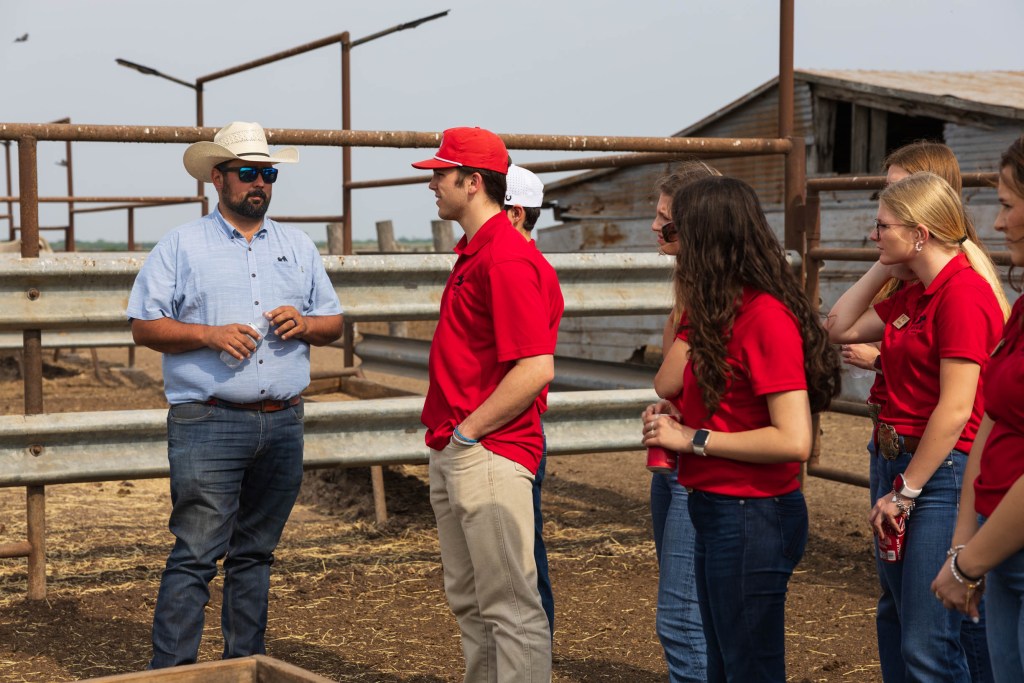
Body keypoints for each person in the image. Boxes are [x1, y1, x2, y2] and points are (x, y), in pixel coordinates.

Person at [126, 121, 344, 669]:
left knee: (255, 554)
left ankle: (244, 666)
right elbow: (143, 326)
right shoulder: (181, 245)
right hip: (209, 420)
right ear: (217, 179)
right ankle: (171, 675)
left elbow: (335, 321)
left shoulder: (297, 246)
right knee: (196, 553)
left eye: (267, 174)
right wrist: (208, 333)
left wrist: (308, 323)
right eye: (248, 173)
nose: (260, 184)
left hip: (283, 420)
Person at [643, 176, 840, 682]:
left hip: (753, 513)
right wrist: (679, 420)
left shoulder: (764, 317)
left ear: (708, 237)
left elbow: (794, 439)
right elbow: (678, 384)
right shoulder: (719, 311)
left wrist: (693, 439)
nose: (667, 239)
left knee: (748, 666)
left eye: (677, 229)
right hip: (719, 505)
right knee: (724, 664)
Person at [827, 171, 1008, 682]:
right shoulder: (918, 292)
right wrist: (885, 258)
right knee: (913, 624)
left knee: (929, 643)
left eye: (882, 226)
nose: (872, 234)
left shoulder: (962, 295)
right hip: (902, 464)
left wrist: (905, 492)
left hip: (939, 476)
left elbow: (955, 409)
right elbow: (837, 327)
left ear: (920, 233)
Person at [413, 128, 563, 683]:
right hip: (465, 445)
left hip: (489, 449)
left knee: (509, 605)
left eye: (441, 174)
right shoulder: (483, 252)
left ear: (472, 182)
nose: (432, 184)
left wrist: (469, 433)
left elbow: (535, 368)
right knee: (474, 603)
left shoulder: (504, 258)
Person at [932, 135, 1024, 682]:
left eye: (1009, 205)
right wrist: (965, 545)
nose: (995, 223)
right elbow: (990, 417)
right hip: (1000, 549)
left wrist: (967, 562)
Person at [648, 162, 721, 683]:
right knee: (698, 612)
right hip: (689, 448)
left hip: (702, 460)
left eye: (666, 220)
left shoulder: (708, 296)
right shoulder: (692, 284)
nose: (656, 228)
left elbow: (666, 379)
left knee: (683, 618)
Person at [503, 163, 555, 636]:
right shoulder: (516, 265)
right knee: (520, 552)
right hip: (514, 428)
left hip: (513, 431)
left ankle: (534, 650)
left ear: (515, 214)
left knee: (521, 557)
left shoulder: (521, 270)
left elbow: (533, 366)